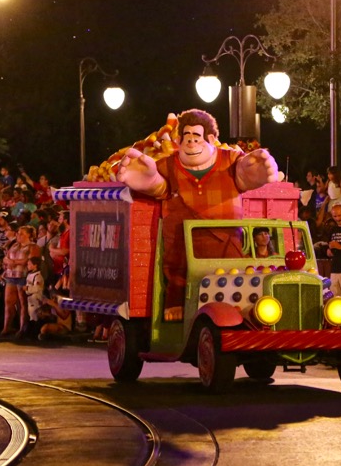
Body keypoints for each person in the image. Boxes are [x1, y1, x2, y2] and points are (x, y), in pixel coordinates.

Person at [117, 109, 278, 320]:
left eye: (196, 137)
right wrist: (147, 179)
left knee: (232, 271)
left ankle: (238, 307)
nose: (191, 143)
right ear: (178, 139)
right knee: (179, 270)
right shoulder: (169, 164)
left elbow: (242, 175)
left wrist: (252, 174)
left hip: (226, 239)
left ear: (211, 138)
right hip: (182, 241)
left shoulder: (229, 160)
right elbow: (161, 187)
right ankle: (176, 302)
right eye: (187, 138)